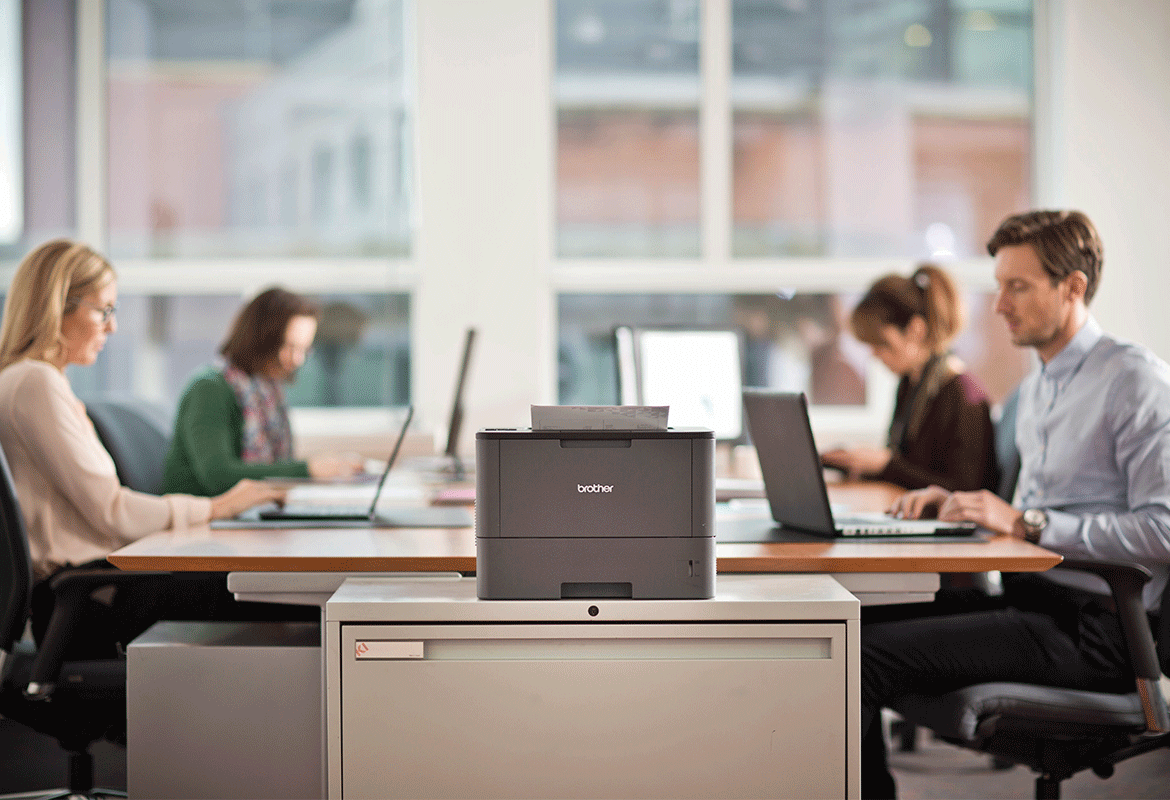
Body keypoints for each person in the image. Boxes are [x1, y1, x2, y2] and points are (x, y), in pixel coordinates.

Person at [860, 210, 1170, 798]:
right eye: (1000, 286)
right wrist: (956, 502)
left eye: (1017, 286)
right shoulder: (1038, 388)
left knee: (862, 658)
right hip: (1033, 603)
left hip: (1098, 630)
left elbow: (1164, 528)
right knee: (851, 627)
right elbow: (1019, 511)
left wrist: (1028, 522)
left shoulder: (1134, 382)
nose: (999, 304)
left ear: (1072, 287)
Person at [0, 239, 291, 657]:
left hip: (92, 588)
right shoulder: (35, 383)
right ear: (56, 306)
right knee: (259, 588)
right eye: (104, 311)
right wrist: (213, 508)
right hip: (88, 597)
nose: (112, 327)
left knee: (255, 582)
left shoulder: (35, 382)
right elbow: (111, 510)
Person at [161, 287, 363, 496]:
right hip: (201, 519)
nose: (297, 360)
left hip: (248, 513)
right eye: (288, 346)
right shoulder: (209, 389)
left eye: (304, 349)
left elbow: (273, 464)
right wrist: (308, 469)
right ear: (259, 338)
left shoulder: (267, 393)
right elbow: (218, 476)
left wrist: (325, 467)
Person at [821, 264, 998, 492]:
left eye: (882, 344)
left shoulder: (964, 396)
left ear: (916, 330)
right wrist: (866, 464)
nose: (875, 355)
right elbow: (906, 465)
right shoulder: (909, 384)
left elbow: (964, 489)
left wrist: (886, 465)